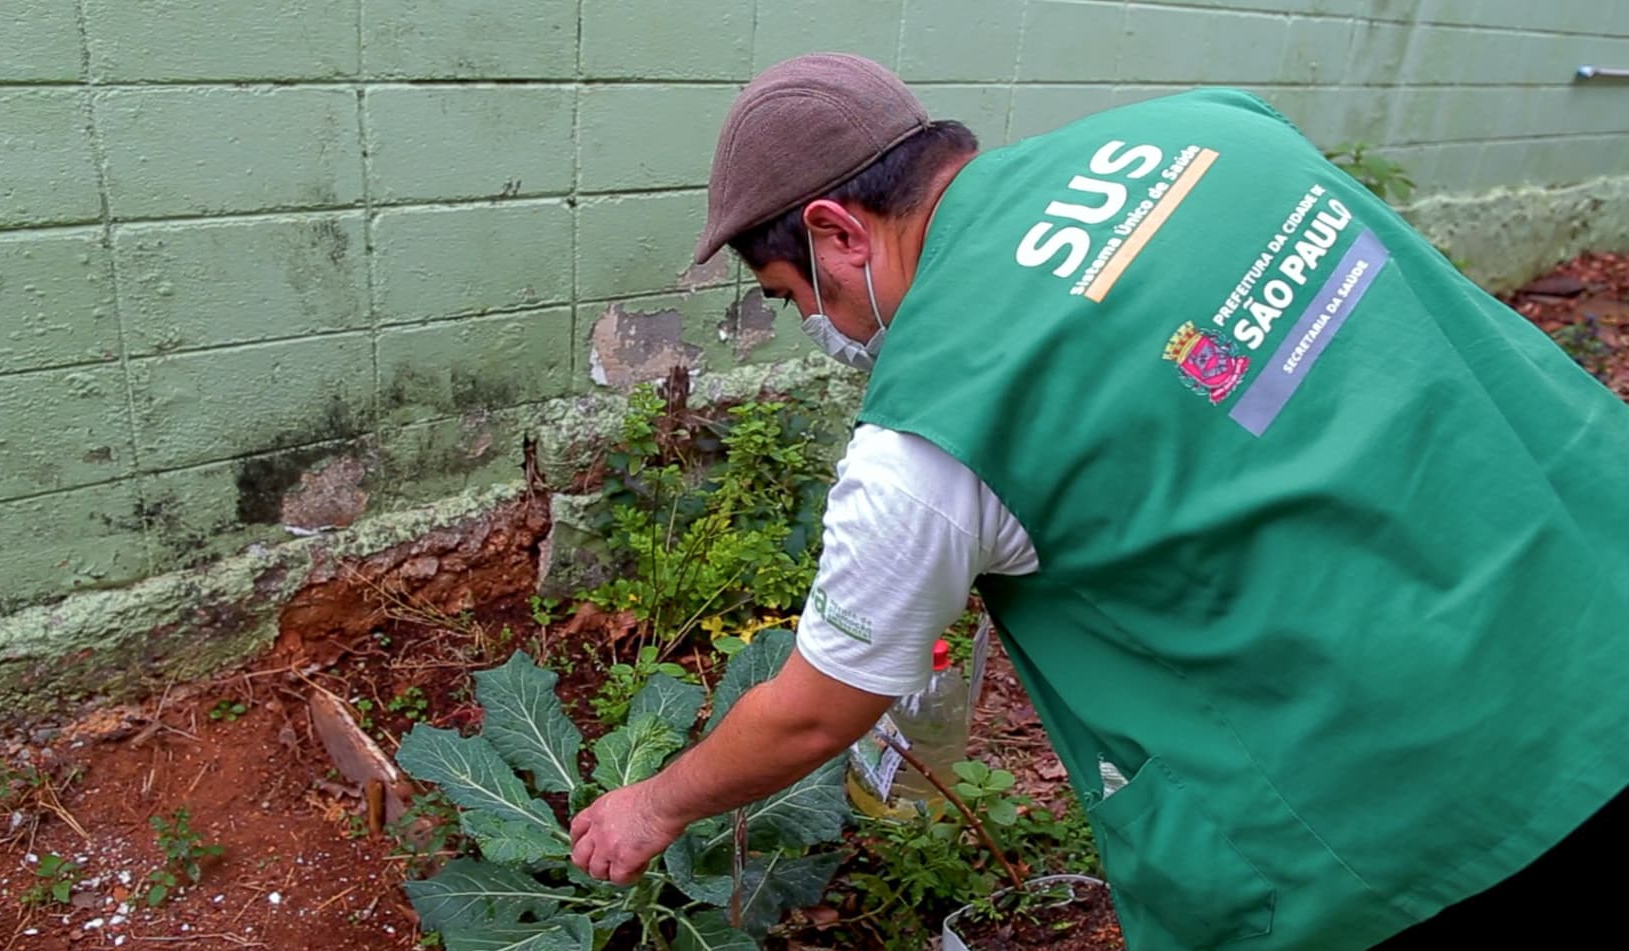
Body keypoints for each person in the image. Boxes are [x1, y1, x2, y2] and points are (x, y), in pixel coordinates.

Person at [569, 52, 1629, 950]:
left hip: (1429, 808)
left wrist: (651, 805)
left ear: (839, 230)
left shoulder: (933, 434)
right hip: (1595, 600)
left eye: (799, 295)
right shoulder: (1213, 133)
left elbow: (814, 710)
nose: (824, 325)